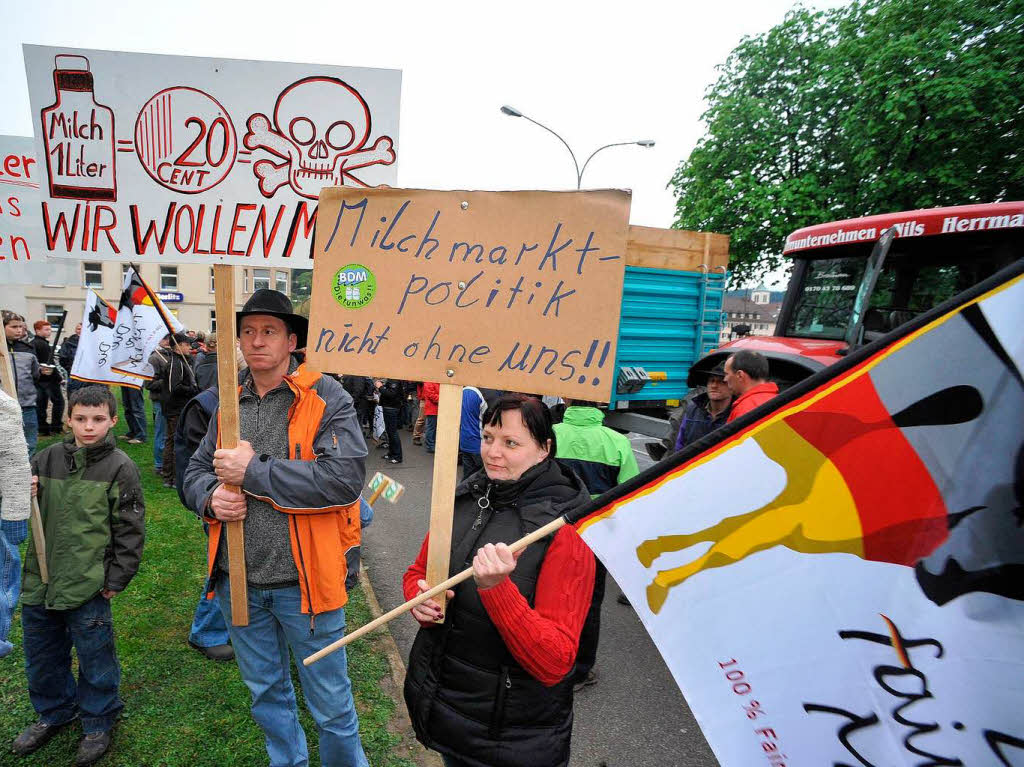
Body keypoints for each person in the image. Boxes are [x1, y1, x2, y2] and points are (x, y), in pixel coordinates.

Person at [182, 288, 369, 767]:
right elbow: (195, 471)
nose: (256, 341)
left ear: (291, 341)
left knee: (330, 704)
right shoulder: (229, 399)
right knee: (266, 695)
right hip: (239, 583)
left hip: (306, 585)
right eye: (247, 331)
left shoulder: (328, 396)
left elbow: (343, 480)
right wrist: (210, 497)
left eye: (268, 331)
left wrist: (254, 473)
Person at [404, 394, 595, 767]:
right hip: (445, 708)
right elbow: (418, 574)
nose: (493, 452)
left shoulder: (568, 528)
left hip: (511, 733)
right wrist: (420, 600)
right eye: (488, 437)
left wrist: (497, 590)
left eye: (511, 443)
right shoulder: (464, 497)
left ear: (544, 449)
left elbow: (555, 662)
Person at [13, 385, 144, 765]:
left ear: (113, 421)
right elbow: (21, 509)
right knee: (42, 656)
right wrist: (26, 491)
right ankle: (54, 711)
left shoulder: (120, 466)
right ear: (68, 419)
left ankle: (99, 717)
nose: (89, 427)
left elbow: (130, 528)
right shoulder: (46, 458)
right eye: (81, 419)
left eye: (98, 419)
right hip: (42, 578)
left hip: (88, 582)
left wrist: (116, 578)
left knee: (95, 657)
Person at [552, 399, 639, 689]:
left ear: (567, 401)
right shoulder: (617, 443)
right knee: (589, 601)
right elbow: (630, 493)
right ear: (600, 404)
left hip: (551, 526)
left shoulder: (549, 435)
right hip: (595, 532)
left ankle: (544, 655)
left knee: (547, 590)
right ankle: (580, 669)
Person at [173, 386, 233, 662]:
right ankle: (207, 632)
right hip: (221, 502)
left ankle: (232, 624)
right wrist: (210, 498)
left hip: (247, 499)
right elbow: (198, 463)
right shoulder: (206, 404)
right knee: (225, 566)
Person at [0, 388, 31, 659]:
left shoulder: (3, 406)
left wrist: (15, 513)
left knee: (3, 572)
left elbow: (14, 464)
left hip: (2, 509)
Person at [151, 332, 199, 488]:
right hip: (175, 408)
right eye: (186, 344)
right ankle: (171, 477)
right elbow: (174, 388)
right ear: (178, 346)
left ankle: (170, 476)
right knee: (174, 441)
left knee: (173, 440)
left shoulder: (182, 361)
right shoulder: (175, 363)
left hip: (178, 407)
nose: (189, 347)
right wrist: (192, 389)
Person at [673, 363, 733, 452]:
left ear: (732, 386)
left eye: (722, 382)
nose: (714, 385)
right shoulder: (692, 410)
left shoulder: (738, 412)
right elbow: (679, 445)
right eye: (711, 381)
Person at [4, 311, 40, 455]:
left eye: (21, 326)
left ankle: (27, 471)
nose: (19, 330)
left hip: (27, 405)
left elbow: (35, 375)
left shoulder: (28, 349)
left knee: (29, 442)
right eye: (14, 327)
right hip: (4, 406)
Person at [723, 350, 779, 423]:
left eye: (727, 374)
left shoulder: (746, 409)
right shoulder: (778, 401)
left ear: (740, 375)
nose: (725, 379)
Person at [31, 320, 64, 436]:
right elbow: (48, 364)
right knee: (58, 402)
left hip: (39, 379)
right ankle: (56, 427)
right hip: (48, 380)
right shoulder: (41, 344)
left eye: (50, 329)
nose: (49, 331)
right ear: (37, 330)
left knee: (41, 404)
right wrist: (59, 378)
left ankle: (43, 429)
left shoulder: (33, 343)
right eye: (46, 329)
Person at [146, 336, 171, 476]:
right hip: (160, 400)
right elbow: (148, 384)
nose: (167, 341)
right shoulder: (154, 358)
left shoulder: (172, 355)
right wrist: (168, 380)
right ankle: (159, 464)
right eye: (164, 338)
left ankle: (166, 461)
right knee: (161, 432)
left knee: (169, 433)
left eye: (169, 338)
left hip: (172, 400)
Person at [458, 385, 487, 478]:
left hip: (465, 441)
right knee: (482, 477)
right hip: (477, 442)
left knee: (468, 476)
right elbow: (486, 415)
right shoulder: (479, 393)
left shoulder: (460, 392)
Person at [378, 378, 406, 464]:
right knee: (390, 432)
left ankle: (397, 456)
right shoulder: (392, 379)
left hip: (392, 408)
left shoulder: (395, 379)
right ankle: (392, 453)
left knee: (393, 432)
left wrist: (380, 387)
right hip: (389, 407)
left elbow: (391, 394)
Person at [59, 323, 85, 397]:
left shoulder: (91, 342)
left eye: (82, 329)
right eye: (78, 329)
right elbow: (63, 358)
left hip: (87, 375)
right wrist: (70, 368)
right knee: (74, 395)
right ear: (75, 330)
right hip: (74, 374)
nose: (80, 331)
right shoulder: (68, 342)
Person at [422, 381, 440, 453]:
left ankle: (433, 444)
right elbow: (431, 395)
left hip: (437, 409)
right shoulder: (429, 382)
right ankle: (430, 446)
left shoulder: (436, 381)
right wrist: (444, 398)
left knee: (434, 428)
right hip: (432, 409)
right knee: (431, 428)